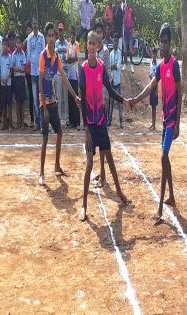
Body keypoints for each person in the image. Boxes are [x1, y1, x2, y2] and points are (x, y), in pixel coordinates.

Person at [129, 23, 181, 225]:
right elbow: (151, 87)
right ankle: (172, 197)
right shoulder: (160, 66)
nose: (163, 45)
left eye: (166, 41)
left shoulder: (174, 65)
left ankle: (160, 207)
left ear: (170, 43)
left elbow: (180, 92)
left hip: (171, 121)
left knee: (163, 157)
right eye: (161, 41)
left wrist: (177, 123)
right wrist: (135, 98)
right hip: (165, 118)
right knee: (165, 159)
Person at [78, 30, 128, 221]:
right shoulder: (83, 69)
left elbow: (111, 91)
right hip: (91, 127)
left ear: (98, 46)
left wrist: (125, 100)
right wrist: (86, 130)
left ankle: (119, 193)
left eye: (94, 44)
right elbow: (83, 100)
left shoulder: (100, 67)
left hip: (101, 124)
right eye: (89, 44)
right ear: (87, 46)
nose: (92, 47)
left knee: (110, 160)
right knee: (89, 165)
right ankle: (83, 205)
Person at [38, 22, 80, 186]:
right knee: (45, 138)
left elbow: (64, 77)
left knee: (60, 133)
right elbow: (41, 82)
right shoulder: (43, 56)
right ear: (46, 37)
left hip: (53, 100)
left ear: (55, 37)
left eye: (52, 35)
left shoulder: (56, 57)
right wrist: (45, 107)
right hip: (45, 103)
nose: (50, 38)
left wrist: (75, 96)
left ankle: (56, 164)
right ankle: (41, 173)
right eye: (48, 35)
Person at [26, 16, 45, 132]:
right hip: (33, 72)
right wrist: (35, 63)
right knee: (34, 98)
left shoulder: (42, 37)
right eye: (33, 23)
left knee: (41, 97)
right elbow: (28, 54)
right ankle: (37, 122)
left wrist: (40, 65)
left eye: (36, 23)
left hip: (41, 72)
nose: (35, 25)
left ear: (38, 24)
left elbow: (43, 53)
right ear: (32, 25)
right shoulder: (29, 38)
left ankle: (43, 122)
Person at [66, 27, 81, 130]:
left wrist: (71, 59)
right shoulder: (68, 45)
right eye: (70, 34)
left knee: (75, 98)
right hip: (69, 75)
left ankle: (77, 121)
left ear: (75, 36)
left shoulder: (77, 45)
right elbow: (68, 60)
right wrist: (71, 59)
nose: (72, 36)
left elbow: (76, 58)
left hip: (75, 75)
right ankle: (72, 121)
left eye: (73, 34)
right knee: (70, 98)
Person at [107, 33, 123, 128]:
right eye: (114, 41)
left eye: (116, 41)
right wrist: (112, 66)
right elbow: (110, 67)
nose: (115, 43)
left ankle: (121, 121)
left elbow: (116, 66)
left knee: (119, 102)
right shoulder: (111, 53)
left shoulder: (119, 53)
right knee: (111, 102)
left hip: (117, 81)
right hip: (112, 80)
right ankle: (109, 121)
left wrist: (111, 66)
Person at [55, 23, 69, 125]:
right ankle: (59, 118)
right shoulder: (56, 43)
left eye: (62, 30)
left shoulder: (67, 43)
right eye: (59, 30)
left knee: (66, 96)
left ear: (64, 31)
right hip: (59, 73)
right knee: (59, 96)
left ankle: (67, 118)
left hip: (66, 72)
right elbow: (56, 57)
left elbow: (68, 56)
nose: (61, 32)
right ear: (58, 31)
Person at [12, 36, 27, 129]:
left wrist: (18, 69)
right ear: (15, 44)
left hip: (22, 79)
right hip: (16, 80)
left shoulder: (23, 54)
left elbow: (24, 69)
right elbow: (13, 68)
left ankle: (22, 122)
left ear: (21, 44)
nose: (18, 44)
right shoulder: (13, 54)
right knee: (17, 101)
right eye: (17, 43)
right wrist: (19, 69)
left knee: (22, 101)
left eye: (19, 43)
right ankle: (18, 122)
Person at [0, 37, 13, 131]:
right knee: (3, 103)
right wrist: (1, 79)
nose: (4, 46)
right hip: (2, 83)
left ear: (8, 47)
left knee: (9, 104)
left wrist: (7, 78)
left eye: (6, 45)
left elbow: (11, 70)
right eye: (3, 44)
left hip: (9, 83)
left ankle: (10, 124)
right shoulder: (0, 57)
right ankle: (4, 124)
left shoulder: (10, 57)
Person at [23, 22, 34, 127]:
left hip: (35, 71)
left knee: (37, 96)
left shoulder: (36, 40)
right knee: (31, 96)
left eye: (29, 29)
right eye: (27, 30)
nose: (28, 31)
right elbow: (22, 54)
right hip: (28, 72)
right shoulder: (25, 42)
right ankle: (32, 119)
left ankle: (38, 118)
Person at [122, 1, 134, 73]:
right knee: (125, 50)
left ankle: (132, 65)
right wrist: (126, 12)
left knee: (130, 49)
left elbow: (132, 21)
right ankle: (125, 65)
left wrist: (132, 29)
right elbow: (124, 21)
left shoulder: (131, 10)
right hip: (125, 32)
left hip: (130, 32)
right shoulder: (124, 11)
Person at [149, 47, 158, 130]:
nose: (153, 55)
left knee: (154, 107)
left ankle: (154, 124)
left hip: (155, 87)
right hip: (151, 86)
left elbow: (158, 78)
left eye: (154, 54)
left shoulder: (158, 65)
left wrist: (156, 90)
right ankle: (152, 123)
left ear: (156, 54)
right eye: (152, 54)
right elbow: (150, 73)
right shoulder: (151, 63)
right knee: (152, 106)